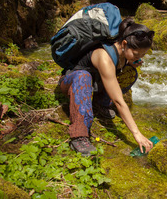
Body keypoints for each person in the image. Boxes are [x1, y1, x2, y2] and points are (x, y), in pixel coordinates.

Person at [59, 17, 155, 156]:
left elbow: (120, 66)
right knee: (83, 76)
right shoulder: (104, 56)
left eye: (143, 54)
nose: (139, 57)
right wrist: (137, 134)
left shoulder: (123, 53)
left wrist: (131, 61)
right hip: (72, 81)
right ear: (124, 43)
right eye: (136, 53)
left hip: (94, 84)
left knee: (130, 73)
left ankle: (101, 104)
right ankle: (79, 135)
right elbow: (118, 101)